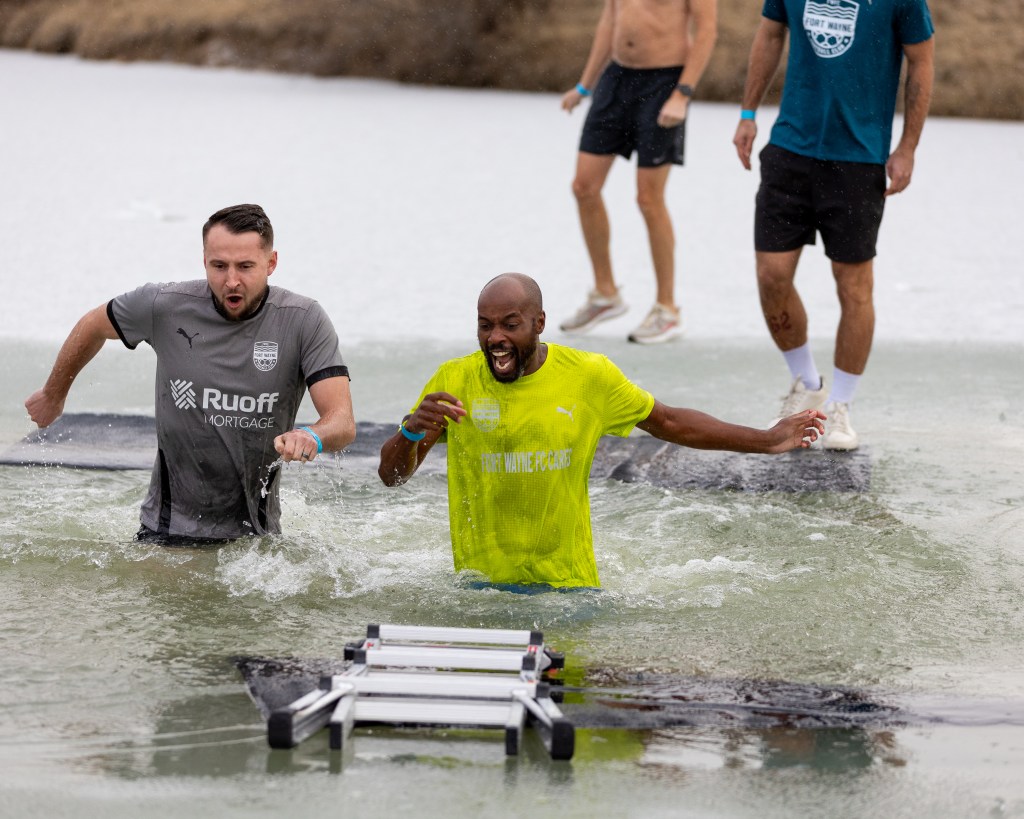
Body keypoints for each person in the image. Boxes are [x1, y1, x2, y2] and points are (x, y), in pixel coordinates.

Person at [378, 273, 824, 589]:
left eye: (510, 325)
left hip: (569, 589)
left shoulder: (588, 376)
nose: (496, 337)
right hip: (478, 590)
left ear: (539, 323)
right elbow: (392, 477)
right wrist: (412, 432)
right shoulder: (454, 380)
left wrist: (766, 440)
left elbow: (668, 421)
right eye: (485, 324)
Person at [25, 204, 356, 542]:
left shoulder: (303, 320)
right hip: (166, 534)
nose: (231, 281)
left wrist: (312, 436)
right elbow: (94, 325)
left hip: (257, 545)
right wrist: (54, 393)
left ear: (271, 263)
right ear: (204, 261)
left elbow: (342, 421)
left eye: (245, 267)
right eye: (219, 266)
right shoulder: (164, 305)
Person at [732, 0, 934, 450]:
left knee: (853, 286)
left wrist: (908, 147)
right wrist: (748, 114)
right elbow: (769, 34)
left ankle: (840, 406)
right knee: (772, 276)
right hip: (790, 148)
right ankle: (806, 383)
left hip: (859, 159)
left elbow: (921, 61)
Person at [558, 0, 718, 344]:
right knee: (583, 186)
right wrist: (585, 86)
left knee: (648, 198)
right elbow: (609, 22)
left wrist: (683, 94)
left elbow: (706, 31)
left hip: (664, 82)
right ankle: (605, 294)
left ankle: (667, 308)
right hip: (616, 79)